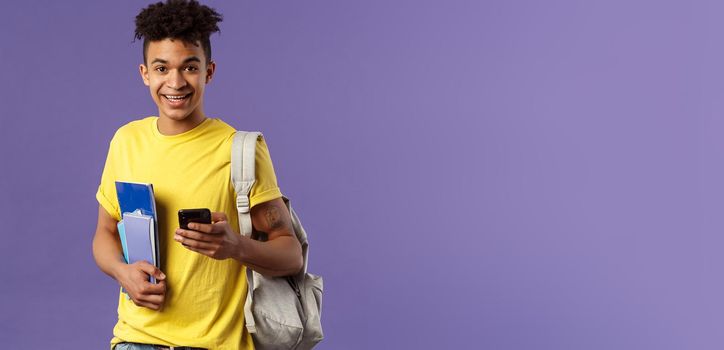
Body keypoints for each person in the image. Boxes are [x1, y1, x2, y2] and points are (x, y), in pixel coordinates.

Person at [91, 1, 303, 349]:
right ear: (145, 73)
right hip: (135, 341)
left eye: (189, 67)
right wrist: (121, 271)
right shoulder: (125, 141)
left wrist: (236, 246)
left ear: (209, 71)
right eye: (162, 68)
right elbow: (103, 232)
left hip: (216, 344)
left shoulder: (241, 150)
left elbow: (291, 254)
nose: (175, 82)